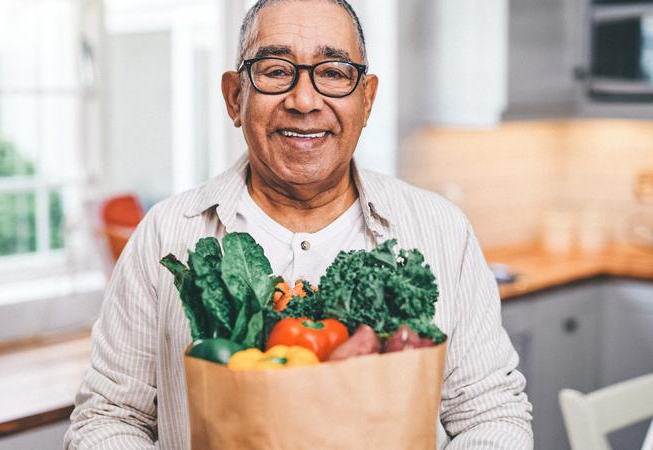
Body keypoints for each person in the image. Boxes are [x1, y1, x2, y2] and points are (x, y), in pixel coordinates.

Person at [64, 0, 533, 448]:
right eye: (275, 71)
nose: (304, 99)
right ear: (234, 97)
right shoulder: (165, 236)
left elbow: (492, 415)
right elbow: (108, 418)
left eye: (332, 72)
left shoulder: (443, 231)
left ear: (366, 100)